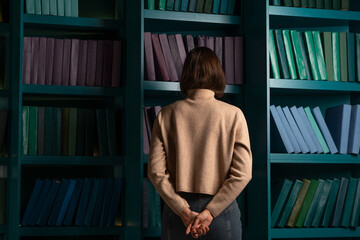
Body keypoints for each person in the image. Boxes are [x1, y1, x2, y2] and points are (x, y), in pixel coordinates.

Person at [147, 47, 252, 239]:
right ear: (218, 74)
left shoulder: (166, 115)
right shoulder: (234, 115)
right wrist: (211, 212)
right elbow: (243, 174)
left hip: (178, 213)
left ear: (186, 74)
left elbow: (155, 172)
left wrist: (183, 211)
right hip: (222, 213)